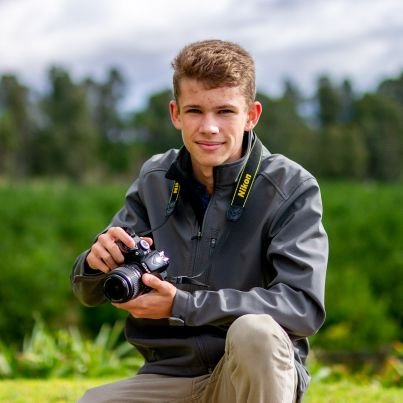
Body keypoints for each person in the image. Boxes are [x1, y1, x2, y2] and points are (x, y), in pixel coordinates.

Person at [71, 39, 328, 403]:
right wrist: (95, 263)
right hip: (169, 378)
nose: (208, 127)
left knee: (255, 331)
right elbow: (88, 291)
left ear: (251, 115)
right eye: (195, 111)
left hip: (249, 377)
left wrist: (182, 305)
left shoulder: (291, 187)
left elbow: (302, 308)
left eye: (225, 111)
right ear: (175, 114)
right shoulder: (155, 178)